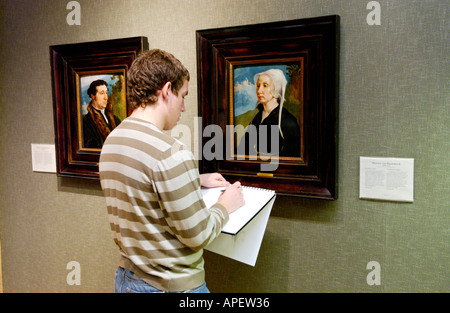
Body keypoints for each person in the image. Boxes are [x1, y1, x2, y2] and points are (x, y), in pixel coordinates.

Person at [99, 49, 245, 293]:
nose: (184, 108)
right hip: (172, 287)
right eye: (183, 96)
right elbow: (199, 235)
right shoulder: (171, 153)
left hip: (127, 280)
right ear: (166, 91)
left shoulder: (113, 140)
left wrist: (193, 179)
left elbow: (143, 183)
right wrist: (225, 206)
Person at [237, 69, 300, 158]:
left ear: (276, 88)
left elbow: (293, 154)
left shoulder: (287, 119)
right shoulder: (257, 117)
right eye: (258, 86)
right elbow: (243, 147)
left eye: (265, 85)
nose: (259, 91)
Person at [82, 79, 121, 148]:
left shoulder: (115, 119)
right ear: (93, 96)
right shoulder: (86, 122)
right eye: (102, 93)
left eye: (106, 93)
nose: (106, 98)